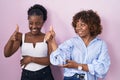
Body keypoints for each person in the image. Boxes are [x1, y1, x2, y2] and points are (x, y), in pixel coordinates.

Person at [46, 10, 111, 80]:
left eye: (82, 25)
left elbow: (102, 69)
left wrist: (77, 65)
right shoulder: (71, 42)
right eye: (76, 25)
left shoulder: (101, 44)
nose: (78, 28)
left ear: (92, 26)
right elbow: (59, 61)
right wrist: (52, 41)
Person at [4, 4, 54, 80]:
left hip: (45, 75)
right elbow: (6, 54)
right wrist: (11, 39)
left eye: (38, 23)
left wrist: (31, 59)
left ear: (43, 22)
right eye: (31, 23)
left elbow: (51, 60)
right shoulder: (21, 37)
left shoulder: (47, 37)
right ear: (28, 21)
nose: (34, 26)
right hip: (26, 76)